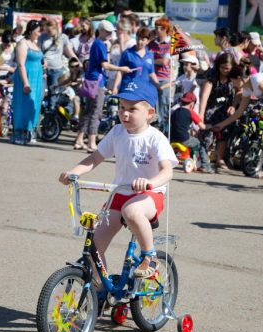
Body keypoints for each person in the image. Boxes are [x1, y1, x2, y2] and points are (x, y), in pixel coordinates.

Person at [59, 80, 178, 279]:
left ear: (150, 113)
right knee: (93, 249)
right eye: (122, 107)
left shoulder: (155, 138)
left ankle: (150, 256)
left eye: (132, 109)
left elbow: (167, 171)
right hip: (120, 193)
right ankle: (100, 291)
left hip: (148, 196)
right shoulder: (117, 132)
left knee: (131, 211)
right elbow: (94, 158)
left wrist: (149, 183)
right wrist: (74, 173)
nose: (125, 113)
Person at [213, 59, 263, 181]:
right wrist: (221, 125)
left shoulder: (256, 80)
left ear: (240, 78)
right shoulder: (247, 89)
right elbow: (239, 112)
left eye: (233, 81)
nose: (232, 84)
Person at [73, 20, 131, 152]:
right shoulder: (100, 44)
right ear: (102, 30)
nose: (111, 34)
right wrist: (121, 68)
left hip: (91, 80)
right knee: (96, 112)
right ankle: (91, 142)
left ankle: (79, 139)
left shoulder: (97, 43)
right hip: (97, 82)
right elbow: (105, 65)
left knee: (87, 111)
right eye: (108, 32)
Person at [198, 53, 236, 172]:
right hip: (211, 110)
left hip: (225, 111)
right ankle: (205, 159)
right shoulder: (211, 78)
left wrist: (234, 106)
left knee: (223, 135)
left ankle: (219, 159)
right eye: (222, 68)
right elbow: (204, 97)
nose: (225, 71)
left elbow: (240, 92)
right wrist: (200, 115)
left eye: (228, 68)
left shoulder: (233, 78)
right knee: (208, 134)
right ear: (218, 66)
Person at [12, 20, 44, 145]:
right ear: (31, 31)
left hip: (37, 79)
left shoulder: (34, 44)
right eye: (37, 31)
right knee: (23, 104)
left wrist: (42, 63)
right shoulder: (22, 43)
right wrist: (26, 83)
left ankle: (29, 132)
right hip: (26, 77)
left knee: (34, 105)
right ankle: (19, 133)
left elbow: (38, 59)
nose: (39, 34)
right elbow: (20, 64)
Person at [38, 18, 79, 105]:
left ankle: (51, 115)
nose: (48, 33)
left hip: (56, 69)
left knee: (54, 94)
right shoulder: (42, 37)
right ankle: (40, 114)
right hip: (43, 70)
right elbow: (38, 52)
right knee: (40, 94)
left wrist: (78, 63)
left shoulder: (63, 37)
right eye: (47, 30)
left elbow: (70, 52)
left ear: (56, 28)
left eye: (50, 31)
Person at [170, 91, 211, 173]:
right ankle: (205, 166)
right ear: (192, 104)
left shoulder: (175, 112)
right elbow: (202, 126)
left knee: (192, 140)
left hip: (172, 138)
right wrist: (211, 126)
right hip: (184, 139)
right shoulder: (191, 112)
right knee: (199, 143)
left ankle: (192, 161)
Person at [112, 27, 159, 94]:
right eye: (138, 39)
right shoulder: (127, 53)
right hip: (129, 89)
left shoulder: (150, 54)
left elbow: (151, 73)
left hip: (143, 90)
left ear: (148, 41)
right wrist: (115, 87)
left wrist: (158, 86)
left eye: (142, 40)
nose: (139, 42)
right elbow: (120, 72)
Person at [148, 17, 172, 134]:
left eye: (160, 27)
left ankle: (162, 132)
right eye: (156, 27)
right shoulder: (151, 44)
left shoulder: (169, 44)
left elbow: (164, 62)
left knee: (163, 108)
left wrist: (150, 60)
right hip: (151, 79)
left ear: (166, 29)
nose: (157, 30)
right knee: (151, 106)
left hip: (164, 79)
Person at [107, 18, 136, 90]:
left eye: (117, 30)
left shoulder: (132, 43)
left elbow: (125, 58)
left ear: (124, 31)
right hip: (112, 76)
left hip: (123, 77)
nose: (115, 32)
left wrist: (121, 42)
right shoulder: (115, 42)